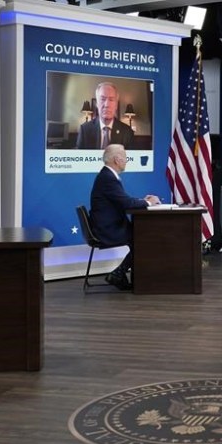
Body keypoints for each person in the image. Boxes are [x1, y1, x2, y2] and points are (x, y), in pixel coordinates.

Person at [90, 144, 161, 290]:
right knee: (144, 239)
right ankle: (118, 274)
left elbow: (123, 200)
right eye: (125, 157)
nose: (127, 161)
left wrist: (142, 200)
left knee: (142, 237)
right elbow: (126, 203)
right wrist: (148, 202)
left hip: (110, 226)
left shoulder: (107, 176)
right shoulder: (108, 178)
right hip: (108, 230)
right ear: (117, 159)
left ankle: (119, 274)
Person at [76, 81, 135, 149]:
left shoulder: (127, 132)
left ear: (116, 105)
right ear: (97, 104)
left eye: (111, 100)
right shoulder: (85, 130)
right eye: (102, 99)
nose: (106, 105)